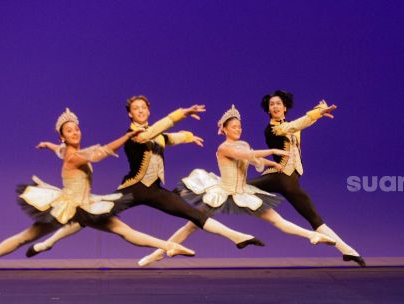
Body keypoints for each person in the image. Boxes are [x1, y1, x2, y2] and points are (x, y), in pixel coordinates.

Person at [0, 107, 195, 277]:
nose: (75, 132)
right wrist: (126, 137)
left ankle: (167, 246)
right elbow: (98, 154)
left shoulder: (65, 150)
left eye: (77, 129)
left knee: (123, 230)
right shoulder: (75, 156)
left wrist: (48, 145)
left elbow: (59, 150)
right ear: (63, 136)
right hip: (67, 207)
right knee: (24, 238)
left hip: (85, 205)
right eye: (69, 131)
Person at [25, 96, 265, 257]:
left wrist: (189, 136)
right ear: (130, 115)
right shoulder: (135, 134)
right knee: (91, 214)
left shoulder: (156, 135)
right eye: (135, 109)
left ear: (148, 110)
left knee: (192, 213)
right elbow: (158, 129)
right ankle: (48, 242)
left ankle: (237, 237)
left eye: (143, 108)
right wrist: (181, 113)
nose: (140, 111)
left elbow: (168, 138)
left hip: (155, 190)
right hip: (133, 188)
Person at [137, 105, 335, 267]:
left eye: (239, 126)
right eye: (233, 127)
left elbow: (253, 157)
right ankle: (159, 253)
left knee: (278, 221)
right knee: (191, 226)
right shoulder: (223, 147)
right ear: (223, 129)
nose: (238, 129)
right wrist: (273, 150)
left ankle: (312, 236)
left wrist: (272, 163)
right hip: (222, 192)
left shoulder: (244, 143)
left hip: (242, 193)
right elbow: (246, 156)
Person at [248, 90, 366, 267]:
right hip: (279, 177)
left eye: (278, 103)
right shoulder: (272, 129)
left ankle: (349, 251)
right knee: (238, 187)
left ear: (285, 107)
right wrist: (317, 113)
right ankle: (208, 213)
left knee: (314, 218)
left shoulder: (290, 125)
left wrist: (319, 111)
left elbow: (300, 125)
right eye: (272, 104)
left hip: (291, 181)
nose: (275, 106)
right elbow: (295, 126)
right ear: (268, 110)